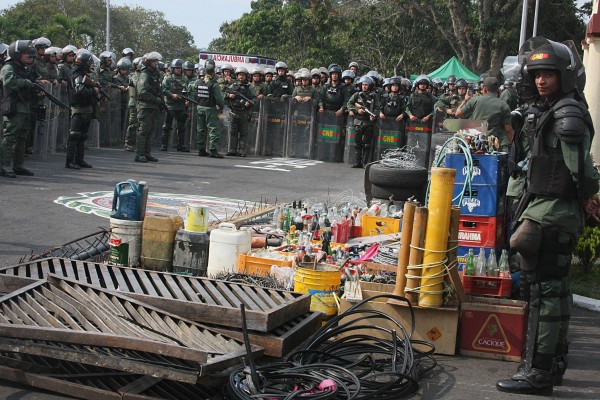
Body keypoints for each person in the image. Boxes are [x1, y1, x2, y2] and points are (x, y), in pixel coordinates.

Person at [496, 38, 600, 396]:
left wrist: (589, 198)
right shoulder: (547, 110)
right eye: (537, 74)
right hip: (546, 207)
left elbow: (581, 171)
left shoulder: (566, 114)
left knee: (544, 292)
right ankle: (551, 364)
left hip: (554, 211)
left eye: (549, 74)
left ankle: (537, 372)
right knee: (554, 291)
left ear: (564, 76)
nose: (541, 80)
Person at [0, 40, 37, 178]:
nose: (30, 57)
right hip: (13, 106)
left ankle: (18, 165)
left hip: (24, 106)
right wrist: (26, 83)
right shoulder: (8, 67)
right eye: (26, 54)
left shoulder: (23, 69)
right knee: (10, 137)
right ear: (17, 54)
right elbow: (9, 81)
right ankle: (4, 166)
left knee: (22, 138)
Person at [66, 49, 102, 169]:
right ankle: (70, 161)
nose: (91, 65)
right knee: (74, 134)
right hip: (79, 108)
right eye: (89, 63)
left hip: (86, 108)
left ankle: (79, 160)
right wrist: (93, 90)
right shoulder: (77, 75)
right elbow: (80, 90)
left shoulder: (84, 75)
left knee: (82, 136)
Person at [456, 77, 513, 152]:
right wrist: (512, 145)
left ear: (485, 89)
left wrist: (465, 100)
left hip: (475, 144)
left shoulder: (475, 100)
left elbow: (458, 114)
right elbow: (508, 130)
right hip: (494, 145)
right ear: (498, 90)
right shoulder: (504, 105)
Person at [188, 59, 224, 158]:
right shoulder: (213, 84)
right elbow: (219, 99)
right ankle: (213, 150)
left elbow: (189, 88)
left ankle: (201, 149)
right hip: (210, 109)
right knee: (213, 129)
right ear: (213, 72)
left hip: (199, 107)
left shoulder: (198, 82)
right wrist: (221, 106)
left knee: (201, 129)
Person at [134, 52, 163, 163]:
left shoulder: (154, 74)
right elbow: (142, 92)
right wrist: (156, 99)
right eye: (154, 61)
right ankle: (140, 154)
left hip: (152, 107)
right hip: (145, 106)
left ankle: (146, 153)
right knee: (143, 131)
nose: (156, 63)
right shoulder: (144, 74)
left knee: (150, 131)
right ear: (150, 62)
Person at [347, 76, 379, 168]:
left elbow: (377, 108)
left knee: (367, 144)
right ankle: (358, 162)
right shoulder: (357, 95)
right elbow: (349, 104)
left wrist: (374, 115)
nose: (364, 86)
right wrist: (357, 111)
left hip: (368, 123)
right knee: (357, 143)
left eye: (366, 85)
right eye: (363, 85)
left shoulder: (373, 96)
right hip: (358, 122)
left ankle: (365, 163)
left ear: (369, 86)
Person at [225, 66, 256, 157]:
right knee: (233, 132)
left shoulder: (250, 87)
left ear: (246, 76)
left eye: (243, 75)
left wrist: (249, 103)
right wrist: (229, 95)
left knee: (243, 133)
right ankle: (232, 150)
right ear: (237, 76)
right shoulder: (233, 86)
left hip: (244, 113)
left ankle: (242, 150)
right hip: (234, 112)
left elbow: (255, 99)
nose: (241, 77)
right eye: (239, 75)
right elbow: (224, 96)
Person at [160, 59, 190, 152]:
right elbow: (163, 89)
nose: (179, 70)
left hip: (181, 106)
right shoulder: (168, 79)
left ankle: (181, 145)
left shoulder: (184, 79)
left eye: (180, 68)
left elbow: (188, 91)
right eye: (177, 68)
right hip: (170, 106)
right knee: (166, 126)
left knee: (181, 126)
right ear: (173, 69)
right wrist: (172, 95)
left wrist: (187, 100)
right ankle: (164, 145)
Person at [124, 57, 141, 152]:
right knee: (133, 124)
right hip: (134, 103)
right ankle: (128, 143)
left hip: (139, 103)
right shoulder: (134, 75)